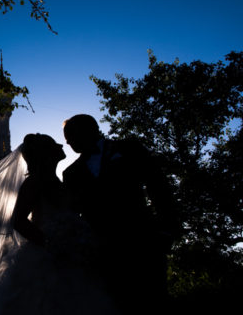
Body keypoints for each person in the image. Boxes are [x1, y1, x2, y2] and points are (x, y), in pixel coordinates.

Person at [0, 133, 119, 315]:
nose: (62, 145)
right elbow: (19, 220)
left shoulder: (60, 181)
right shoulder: (35, 182)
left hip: (72, 255)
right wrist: (52, 245)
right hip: (47, 256)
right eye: (54, 144)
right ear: (45, 153)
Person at [62, 114, 178, 314]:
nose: (68, 142)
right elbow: (73, 214)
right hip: (104, 252)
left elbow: (158, 187)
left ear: (90, 130)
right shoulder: (71, 173)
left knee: (154, 301)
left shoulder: (129, 149)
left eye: (70, 135)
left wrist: (167, 230)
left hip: (144, 242)